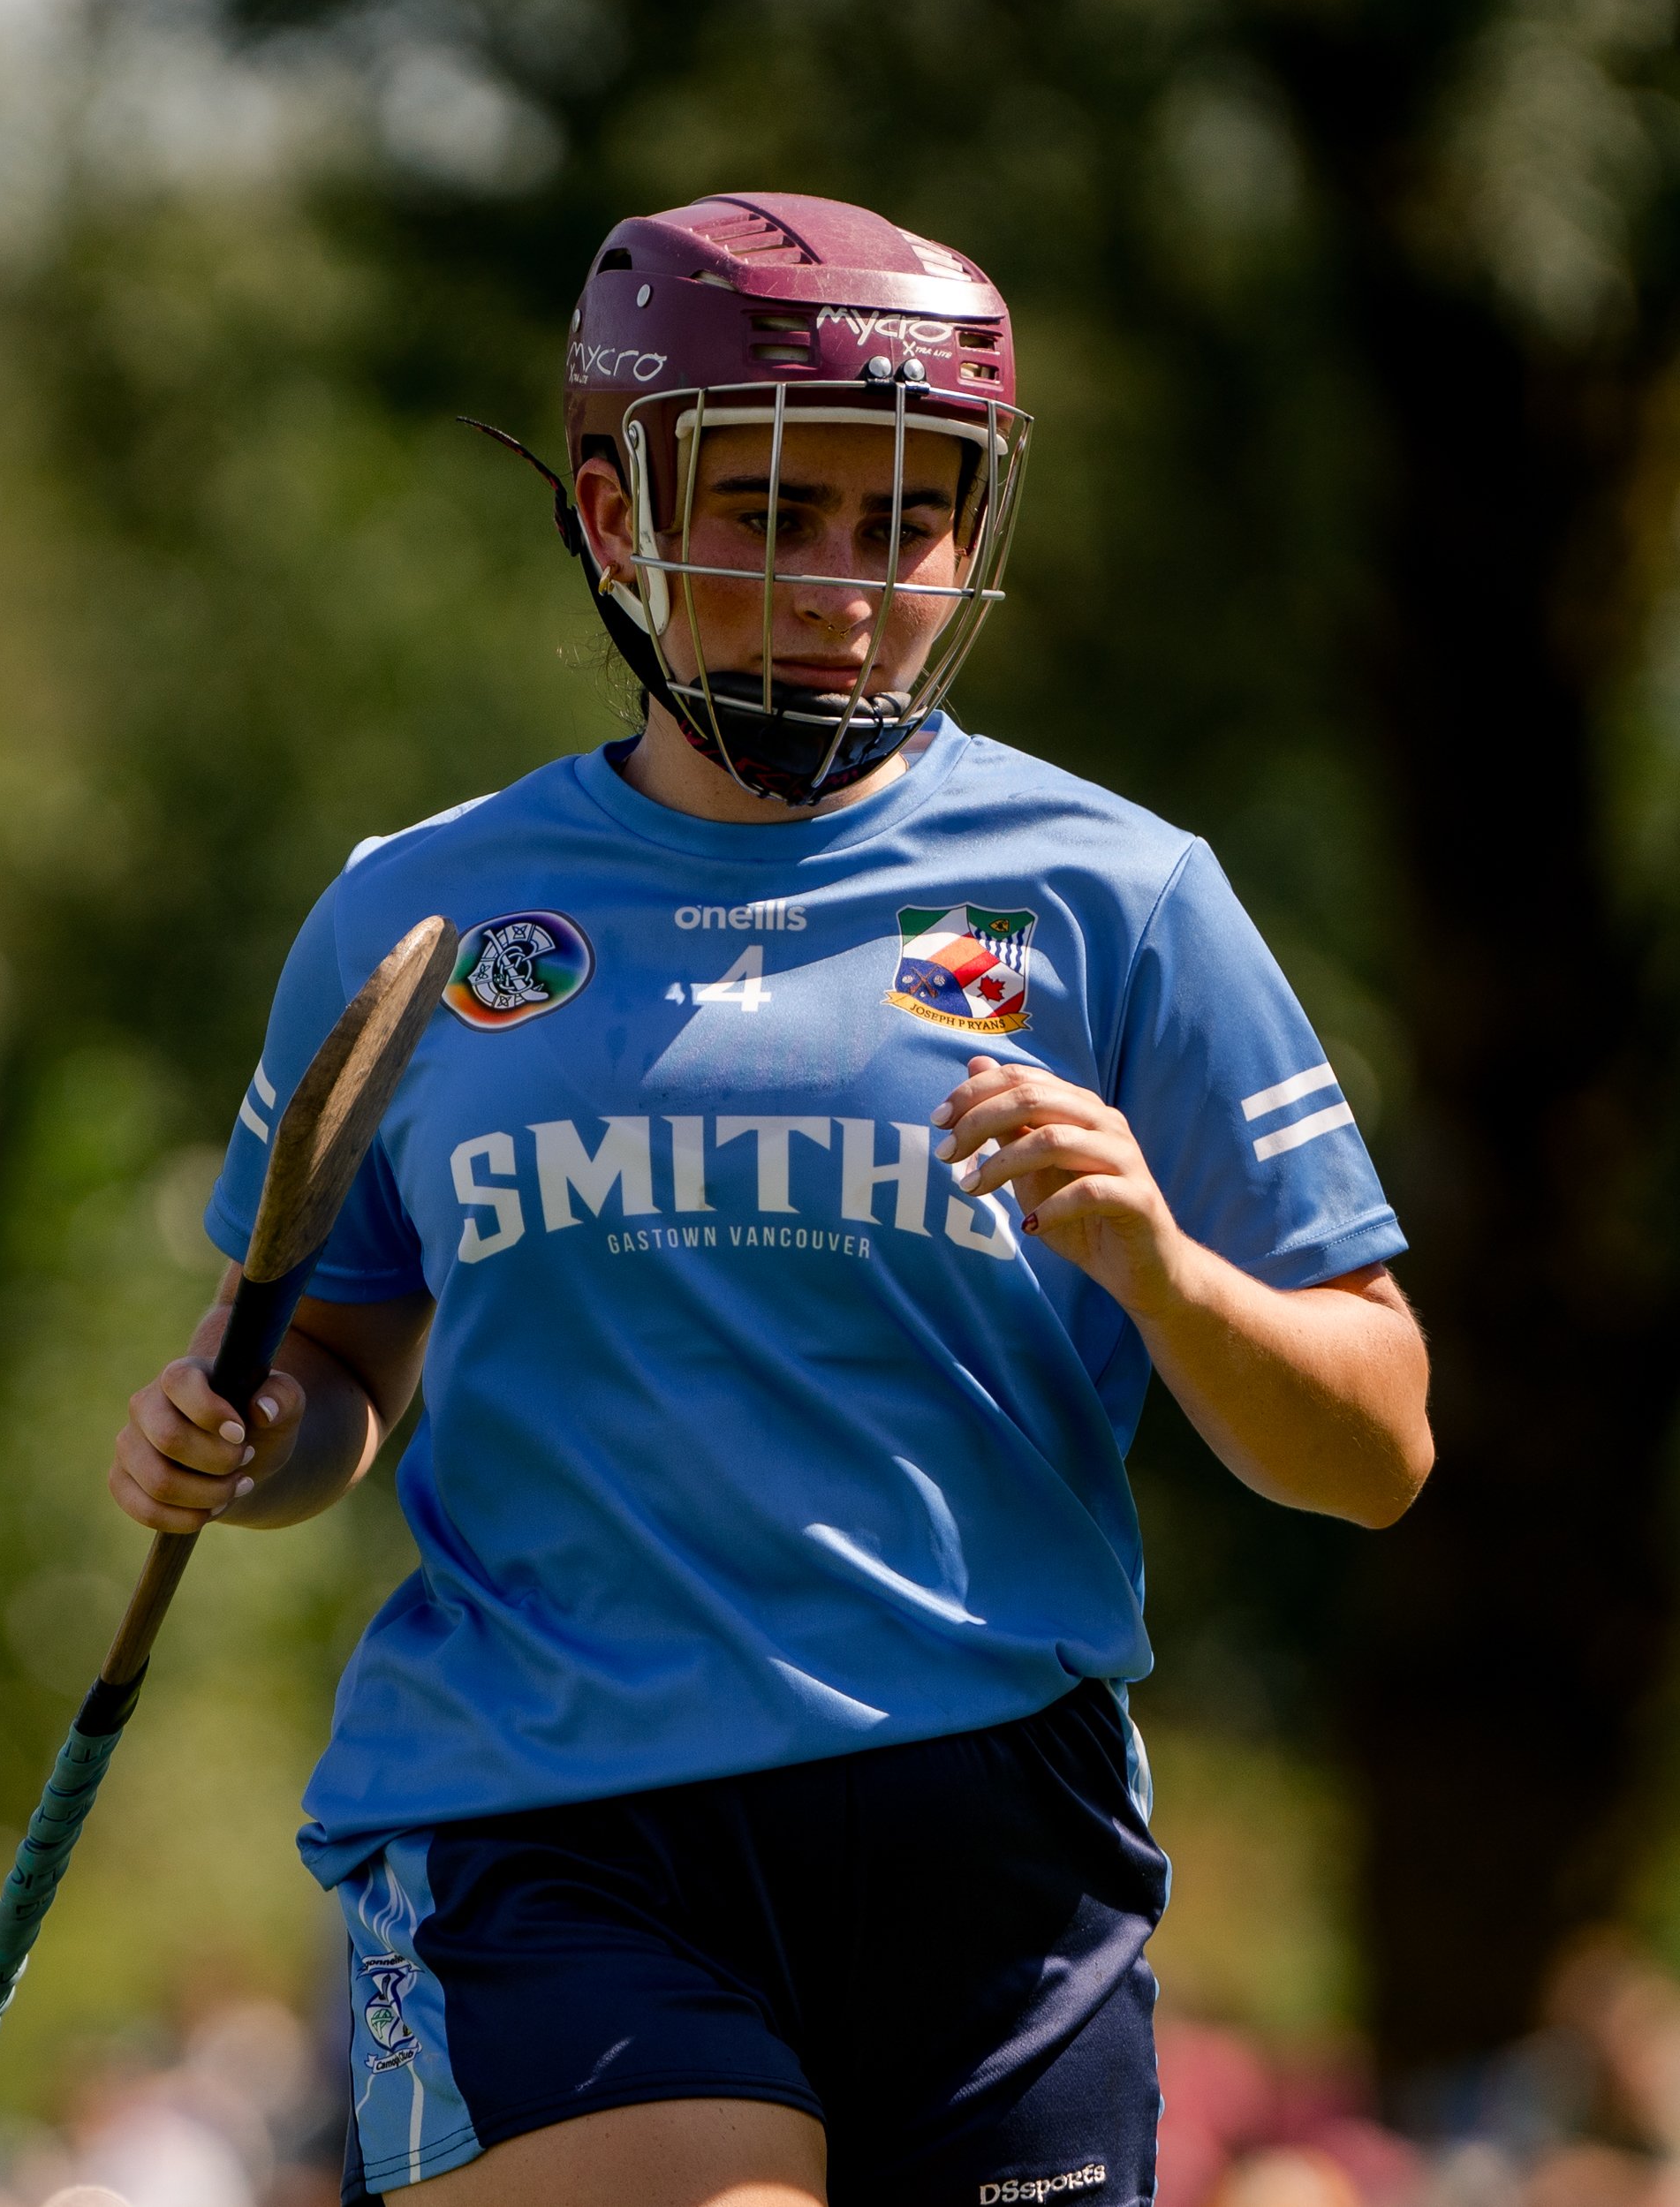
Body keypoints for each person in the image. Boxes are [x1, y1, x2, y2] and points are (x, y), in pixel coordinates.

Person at [110, 193, 1433, 2207]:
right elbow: (336, 1350)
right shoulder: (419, 910)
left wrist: (1162, 1267)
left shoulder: (1123, 895)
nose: (832, 582)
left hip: (998, 1832)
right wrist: (250, 1428)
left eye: (898, 519)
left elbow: (1377, 1447)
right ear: (614, 503)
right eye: (766, 510)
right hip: (550, 1814)